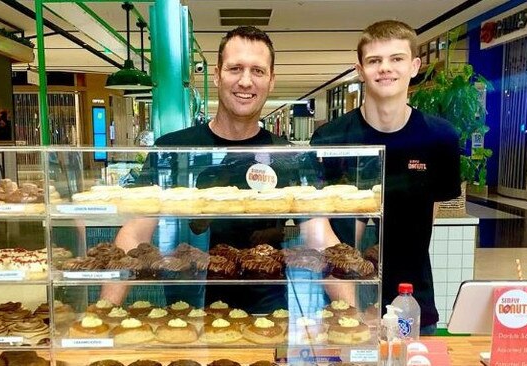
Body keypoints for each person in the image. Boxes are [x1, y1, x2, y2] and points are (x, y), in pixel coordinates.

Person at [101, 26, 295, 313]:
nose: (245, 81)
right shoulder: (174, 150)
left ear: (271, 80)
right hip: (190, 307)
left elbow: (319, 233)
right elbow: (135, 233)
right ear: (217, 74)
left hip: (268, 311)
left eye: (257, 71)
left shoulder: (287, 155)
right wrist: (103, 312)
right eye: (235, 68)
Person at [309, 20, 461, 335]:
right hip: (342, 302)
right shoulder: (330, 139)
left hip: (412, 300)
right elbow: (319, 229)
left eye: (396, 59)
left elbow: (426, 218)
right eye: (374, 61)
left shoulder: (439, 137)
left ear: (415, 66)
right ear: (360, 70)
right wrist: (354, 305)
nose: (385, 69)